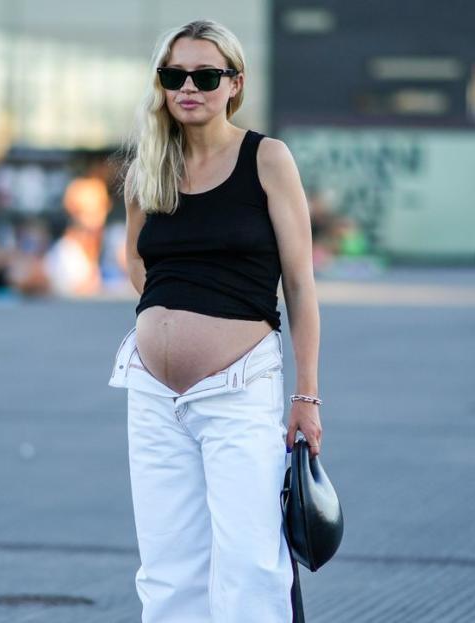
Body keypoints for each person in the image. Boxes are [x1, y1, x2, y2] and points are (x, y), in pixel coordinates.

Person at [108, 19, 322, 622]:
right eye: (174, 76)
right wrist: (169, 318)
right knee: (167, 569)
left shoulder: (267, 159)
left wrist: (306, 395)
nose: (188, 87)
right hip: (151, 393)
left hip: (239, 388)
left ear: (235, 83)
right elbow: (133, 256)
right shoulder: (147, 167)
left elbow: (301, 286)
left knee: (249, 564)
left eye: (205, 75)